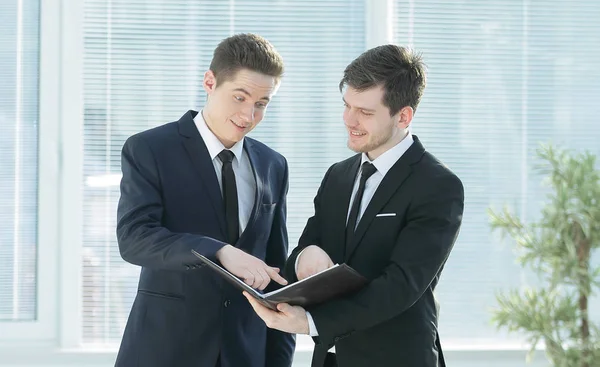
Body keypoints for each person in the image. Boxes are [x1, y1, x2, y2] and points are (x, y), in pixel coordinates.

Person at [244, 44, 464, 367]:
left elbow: (400, 287)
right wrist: (306, 257)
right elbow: (301, 254)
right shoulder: (338, 175)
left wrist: (308, 323)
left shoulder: (438, 186)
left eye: (366, 112)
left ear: (404, 116)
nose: (349, 120)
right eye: (347, 105)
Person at [115, 33, 296, 367]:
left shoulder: (274, 165)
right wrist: (219, 251)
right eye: (239, 97)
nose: (248, 114)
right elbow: (134, 240)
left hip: (246, 353)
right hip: (166, 350)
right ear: (210, 82)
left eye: (261, 104)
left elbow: (276, 273)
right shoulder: (151, 149)